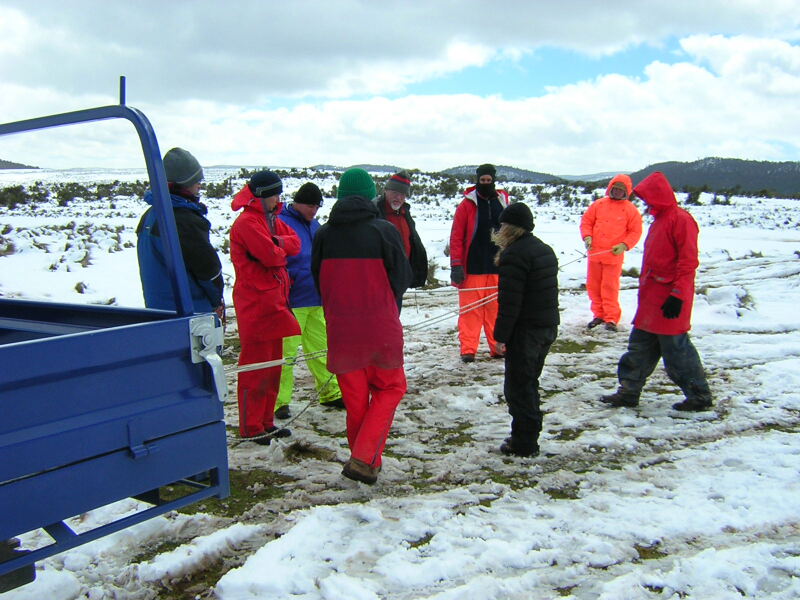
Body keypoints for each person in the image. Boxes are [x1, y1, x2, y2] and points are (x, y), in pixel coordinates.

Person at [312, 168, 412, 484]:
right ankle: (363, 458)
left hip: (342, 333)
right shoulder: (384, 230)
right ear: (372, 196)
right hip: (380, 328)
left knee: (357, 405)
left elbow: (318, 280)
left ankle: (367, 461)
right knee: (391, 388)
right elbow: (402, 278)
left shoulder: (323, 234)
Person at [600, 171, 713, 412]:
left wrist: (678, 296)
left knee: (677, 351)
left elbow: (687, 262)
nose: (645, 203)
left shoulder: (681, 220)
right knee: (639, 347)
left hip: (670, 300)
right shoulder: (660, 219)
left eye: (648, 198)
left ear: (659, 195)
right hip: (651, 299)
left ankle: (699, 395)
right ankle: (628, 391)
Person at [230, 170, 301, 442]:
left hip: (274, 304)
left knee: (272, 368)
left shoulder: (268, 220)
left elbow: (294, 245)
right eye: (275, 194)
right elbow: (271, 258)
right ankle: (250, 428)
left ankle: (264, 422)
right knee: (255, 371)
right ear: (263, 195)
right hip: (256, 306)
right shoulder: (247, 222)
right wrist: (278, 248)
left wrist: (277, 243)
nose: (278, 199)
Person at [492, 202, 559, 457]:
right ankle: (526, 434)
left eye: (503, 225)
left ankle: (524, 442)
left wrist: (500, 337)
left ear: (510, 228)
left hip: (527, 331)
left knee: (519, 387)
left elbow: (510, 303)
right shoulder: (544, 249)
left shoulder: (514, 255)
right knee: (529, 382)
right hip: (547, 327)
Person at [275, 182, 343, 419]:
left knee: (322, 349)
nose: (314, 210)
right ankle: (279, 402)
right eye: (310, 205)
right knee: (286, 355)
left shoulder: (316, 225)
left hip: (317, 296)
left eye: (317, 206)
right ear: (298, 202)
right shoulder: (281, 222)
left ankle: (330, 392)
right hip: (292, 300)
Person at [136, 147, 224, 317]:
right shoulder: (183, 221)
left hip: (159, 311)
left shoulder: (151, 215)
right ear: (183, 183)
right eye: (196, 180)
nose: (200, 184)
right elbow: (208, 271)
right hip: (190, 313)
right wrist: (215, 301)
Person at [449, 163, 510, 362]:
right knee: (470, 310)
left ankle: (497, 347)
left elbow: (511, 232)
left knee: (495, 310)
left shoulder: (502, 202)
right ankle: (468, 349)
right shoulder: (466, 205)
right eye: (482, 180)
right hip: (472, 267)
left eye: (488, 180)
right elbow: (456, 237)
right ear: (477, 181)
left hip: (497, 266)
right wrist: (456, 264)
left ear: (493, 180)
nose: (485, 183)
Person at [579, 174, 642, 332]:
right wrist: (587, 237)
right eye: (616, 189)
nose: (618, 192)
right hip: (594, 254)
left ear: (626, 192)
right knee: (594, 286)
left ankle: (611, 318)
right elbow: (586, 222)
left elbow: (635, 231)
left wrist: (625, 245)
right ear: (610, 188)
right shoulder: (598, 205)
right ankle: (598, 315)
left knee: (610, 287)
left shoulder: (631, 210)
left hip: (613, 256)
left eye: (622, 190)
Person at [373, 170, 429, 290]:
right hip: (380, 279)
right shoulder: (375, 213)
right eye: (394, 192)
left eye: (403, 194)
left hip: (401, 279)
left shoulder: (405, 214)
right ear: (386, 191)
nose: (398, 197)